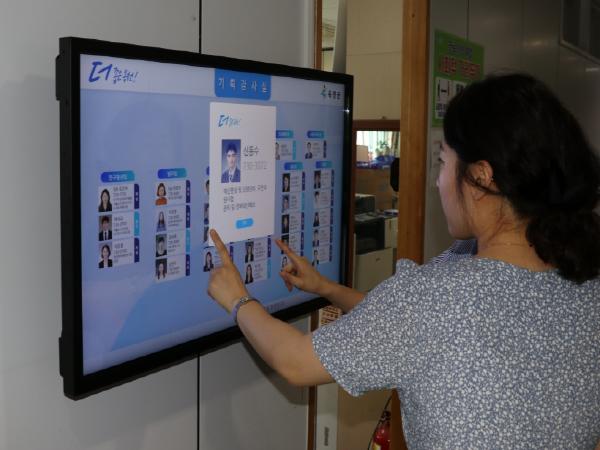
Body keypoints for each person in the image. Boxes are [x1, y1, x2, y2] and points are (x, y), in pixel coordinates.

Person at [206, 74, 600, 448]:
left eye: (443, 162)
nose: (438, 180)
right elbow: (409, 332)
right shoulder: (586, 283)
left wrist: (238, 299)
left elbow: (294, 362)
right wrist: (326, 288)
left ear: (481, 178)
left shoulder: (434, 298)